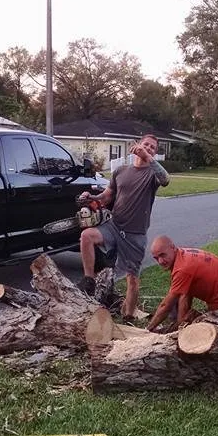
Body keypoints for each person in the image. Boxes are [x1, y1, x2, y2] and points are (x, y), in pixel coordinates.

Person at [77, 134, 170, 321]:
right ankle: (89, 281)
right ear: (137, 145)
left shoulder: (152, 174)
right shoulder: (120, 171)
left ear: (154, 153)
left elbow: (166, 179)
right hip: (114, 226)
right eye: (146, 144)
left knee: (132, 279)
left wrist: (147, 157)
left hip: (135, 235)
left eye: (152, 147)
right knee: (87, 236)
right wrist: (91, 198)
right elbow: (107, 196)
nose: (148, 148)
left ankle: (128, 317)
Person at [145, 235, 218, 332]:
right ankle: (177, 328)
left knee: (208, 334)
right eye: (156, 258)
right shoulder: (181, 254)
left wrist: (148, 329)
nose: (160, 261)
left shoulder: (182, 269)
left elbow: (165, 306)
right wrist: (181, 323)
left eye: (162, 255)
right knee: (175, 298)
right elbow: (184, 294)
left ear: (172, 247)